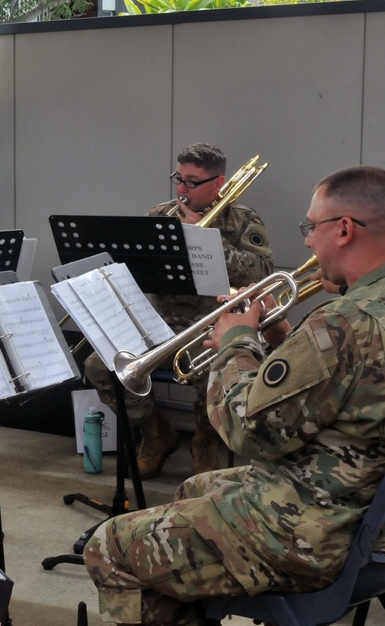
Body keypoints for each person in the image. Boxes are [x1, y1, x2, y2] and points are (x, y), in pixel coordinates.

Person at [83, 165, 385, 625]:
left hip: (311, 536)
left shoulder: (344, 324)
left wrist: (235, 341)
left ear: (345, 229)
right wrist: (281, 337)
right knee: (194, 487)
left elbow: (245, 433)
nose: (308, 241)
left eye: (311, 227)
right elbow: (339, 392)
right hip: (381, 526)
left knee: (108, 547)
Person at [83, 143, 273, 478]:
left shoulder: (243, 219)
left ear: (219, 183)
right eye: (178, 178)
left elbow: (262, 272)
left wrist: (206, 236)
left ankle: (204, 442)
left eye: (192, 181)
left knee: (217, 371)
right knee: (99, 366)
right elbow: (130, 270)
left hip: (208, 328)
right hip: (155, 326)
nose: (182, 188)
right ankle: (156, 433)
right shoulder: (159, 216)